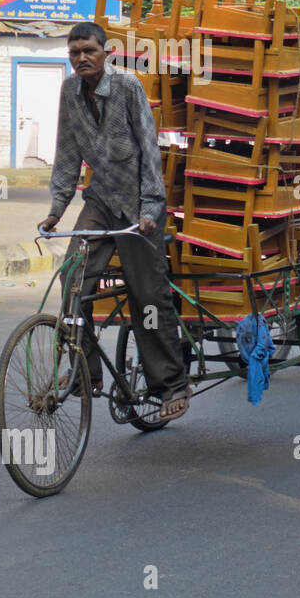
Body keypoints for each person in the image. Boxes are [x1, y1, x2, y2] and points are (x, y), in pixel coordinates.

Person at [40, 23, 191, 421]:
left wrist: (150, 211)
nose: (81, 58)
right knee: (72, 280)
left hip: (140, 204)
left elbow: (148, 149)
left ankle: (171, 384)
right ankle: (84, 372)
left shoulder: (128, 87)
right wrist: (56, 209)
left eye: (88, 50)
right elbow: (67, 151)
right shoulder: (70, 93)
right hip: (101, 199)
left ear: (106, 52)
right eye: (74, 53)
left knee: (147, 297)